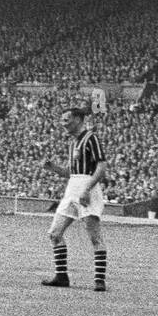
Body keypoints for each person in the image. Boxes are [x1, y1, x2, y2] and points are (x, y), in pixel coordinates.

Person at [40, 105, 108, 292]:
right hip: (73, 188)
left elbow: (101, 167)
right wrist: (53, 167)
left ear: (78, 119)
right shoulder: (73, 143)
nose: (63, 124)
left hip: (87, 187)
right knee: (54, 233)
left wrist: (87, 188)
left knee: (94, 236)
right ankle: (62, 277)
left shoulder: (91, 138)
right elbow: (72, 173)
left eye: (66, 120)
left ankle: (99, 280)